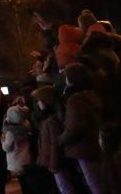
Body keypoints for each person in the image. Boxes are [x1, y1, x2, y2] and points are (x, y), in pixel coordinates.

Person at [59, 63, 105, 194]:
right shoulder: (92, 93)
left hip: (83, 147)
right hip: (95, 143)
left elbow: (74, 126)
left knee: (94, 184)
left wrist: (60, 139)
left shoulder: (74, 99)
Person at [33, 86, 78, 194]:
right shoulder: (49, 118)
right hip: (56, 160)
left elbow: (55, 143)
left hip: (57, 161)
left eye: (39, 101)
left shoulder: (52, 120)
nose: (38, 104)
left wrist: (54, 164)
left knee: (65, 187)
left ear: (46, 101)